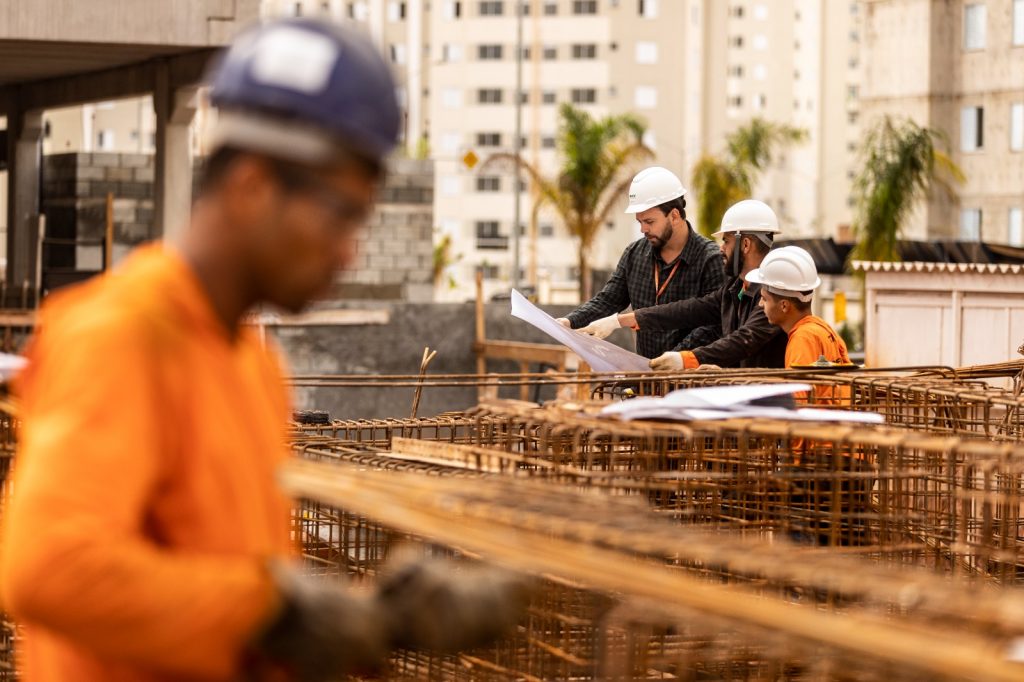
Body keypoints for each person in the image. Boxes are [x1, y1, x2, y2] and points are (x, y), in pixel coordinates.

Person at [0, 18, 523, 682]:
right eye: (342, 215)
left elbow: (222, 589)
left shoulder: (251, 364)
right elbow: (46, 569)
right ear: (250, 186)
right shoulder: (120, 335)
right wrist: (273, 609)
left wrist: (380, 619)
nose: (348, 251)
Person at [555, 166, 725, 358]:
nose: (643, 229)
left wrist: (672, 360)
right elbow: (608, 300)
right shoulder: (634, 254)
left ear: (675, 215)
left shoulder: (711, 259)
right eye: (640, 222)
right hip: (646, 376)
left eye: (650, 222)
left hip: (690, 379)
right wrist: (569, 322)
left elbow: (713, 323)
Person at [615, 199, 788, 370]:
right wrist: (628, 319)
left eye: (726, 241)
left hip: (766, 395)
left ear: (745, 244)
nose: (721, 248)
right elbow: (690, 310)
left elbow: (744, 340)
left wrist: (687, 359)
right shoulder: (734, 289)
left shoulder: (773, 293)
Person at [746, 245, 851, 401]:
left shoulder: (802, 339)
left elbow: (798, 400)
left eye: (765, 298)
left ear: (784, 306)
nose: (761, 304)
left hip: (822, 422)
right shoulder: (823, 329)